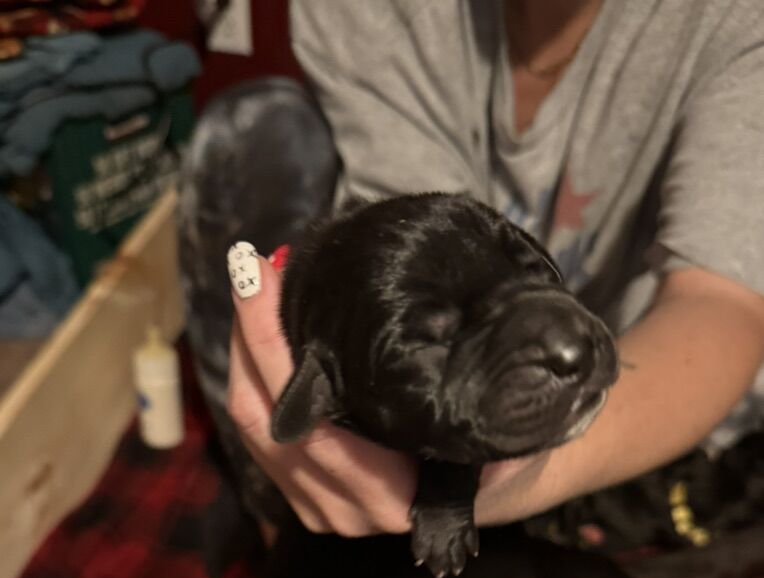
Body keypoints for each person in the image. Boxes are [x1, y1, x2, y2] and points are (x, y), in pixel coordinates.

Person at [220, 0, 764, 544]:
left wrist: (505, 480)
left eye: (532, 265)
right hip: (458, 420)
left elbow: (724, 302)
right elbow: (407, 251)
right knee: (252, 128)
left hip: (659, 404)